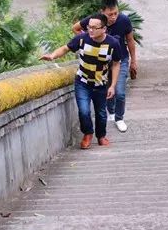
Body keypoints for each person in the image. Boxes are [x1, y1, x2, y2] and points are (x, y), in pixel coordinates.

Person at [42, 13, 121, 149]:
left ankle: (101, 136)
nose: (90, 30)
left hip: (101, 84)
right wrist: (52, 56)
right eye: (89, 27)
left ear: (104, 29)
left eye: (95, 28)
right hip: (82, 82)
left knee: (101, 113)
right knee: (84, 111)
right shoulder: (82, 39)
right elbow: (66, 48)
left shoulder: (113, 44)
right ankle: (88, 134)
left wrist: (112, 86)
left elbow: (116, 64)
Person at [73, 0, 137, 133]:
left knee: (119, 91)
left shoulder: (124, 21)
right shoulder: (94, 21)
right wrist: (88, 40)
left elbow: (130, 40)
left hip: (119, 60)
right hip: (99, 62)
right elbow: (76, 28)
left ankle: (119, 118)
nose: (113, 17)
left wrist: (134, 61)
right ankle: (111, 112)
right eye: (110, 14)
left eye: (116, 13)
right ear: (102, 12)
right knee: (106, 88)